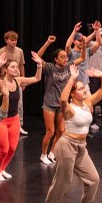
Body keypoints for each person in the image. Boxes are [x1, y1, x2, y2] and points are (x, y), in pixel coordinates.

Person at [42, 64, 102, 203]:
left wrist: (101, 77)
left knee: (93, 179)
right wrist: (72, 78)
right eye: (79, 89)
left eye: (83, 88)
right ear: (73, 93)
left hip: (81, 147)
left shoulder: (88, 103)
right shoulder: (69, 108)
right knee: (64, 180)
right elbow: (62, 100)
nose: (84, 90)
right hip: (67, 146)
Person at [0, 53, 42, 180]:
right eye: (13, 67)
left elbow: (36, 79)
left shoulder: (19, 80)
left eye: (17, 67)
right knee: (4, 150)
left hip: (14, 119)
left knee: (12, 149)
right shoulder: (0, 83)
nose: (16, 69)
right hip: (0, 120)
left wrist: (39, 65)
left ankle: (2, 169)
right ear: (6, 69)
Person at [34, 34, 72, 166]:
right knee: (50, 131)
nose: (65, 58)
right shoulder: (50, 67)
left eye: (66, 56)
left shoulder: (68, 67)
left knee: (61, 131)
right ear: (56, 59)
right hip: (50, 103)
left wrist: (84, 45)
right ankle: (43, 155)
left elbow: (83, 58)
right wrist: (47, 42)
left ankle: (52, 153)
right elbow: (37, 57)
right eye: (62, 57)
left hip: (61, 104)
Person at [0, 30, 28, 135]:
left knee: (19, 104)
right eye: (12, 40)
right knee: (3, 102)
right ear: (6, 40)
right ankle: (0, 121)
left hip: (16, 81)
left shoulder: (19, 51)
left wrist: (23, 80)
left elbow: (21, 65)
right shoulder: (0, 52)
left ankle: (19, 125)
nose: (14, 42)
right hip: (4, 82)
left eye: (16, 40)